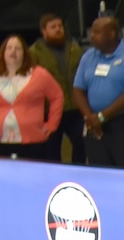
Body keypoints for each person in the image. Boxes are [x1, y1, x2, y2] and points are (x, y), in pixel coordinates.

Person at [73, 13, 124, 169]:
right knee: (100, 172)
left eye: (97, 32)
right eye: (91, 32)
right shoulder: (88, 56)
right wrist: (90, 117)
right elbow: (78, 89)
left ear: (112, 33)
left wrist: (102, 116)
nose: (91, 36)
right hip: (95, 126)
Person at [29, 13, 85, 163]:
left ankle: (77, 173)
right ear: (43, 30)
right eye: (53, 27)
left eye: (60, 26)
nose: (58, 30)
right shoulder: (34, 52)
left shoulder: (74, 48)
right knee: (52, 150)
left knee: (82, 142)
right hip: (50, 111)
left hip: (75, 108)